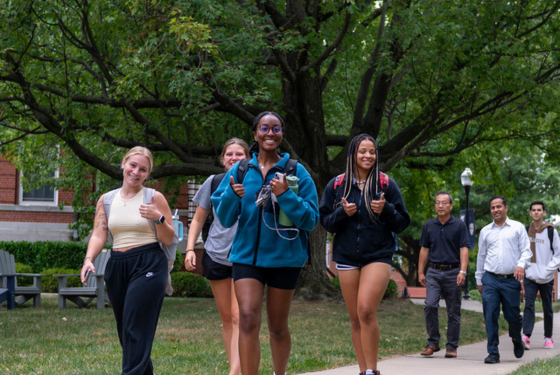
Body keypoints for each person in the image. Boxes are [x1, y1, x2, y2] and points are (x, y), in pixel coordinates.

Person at [212, 111, 319, 375]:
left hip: (285, 257)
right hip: (246, 258)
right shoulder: (239, 170)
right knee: (247, 318)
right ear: (255, 134)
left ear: (282, 134)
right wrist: (232, 196)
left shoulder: (295, 171)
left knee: (277, 326)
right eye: (264, 128)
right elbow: (224, 219)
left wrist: (285, 196)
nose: (270, 133)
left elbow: (311, 220)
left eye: (276, 128)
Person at [319, 133, 410, 375]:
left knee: (366, 310)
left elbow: (402, 223)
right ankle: (363, 371)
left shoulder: (386, 184)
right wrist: (342, 213)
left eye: (372, 151)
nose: (368, 155)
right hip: (347, 257)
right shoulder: (337, 185)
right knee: (355, 318)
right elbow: (326, 222)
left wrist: (386, 209)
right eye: (362, 151)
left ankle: (372, 371)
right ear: (353, 155)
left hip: (377, 255)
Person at [80, 146, 175, 375]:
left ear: (148, 174)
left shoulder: (154, 197)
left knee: (135, 328)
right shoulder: (107, 200)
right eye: (133, 165)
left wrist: (158, 218)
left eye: (143, 169)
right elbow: (99, 233)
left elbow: (169, 238)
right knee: (127, 332)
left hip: (149, 262)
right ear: (123, 164)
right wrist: (88, 259)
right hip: (118, 264)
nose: (136, 172)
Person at [184, 138, 249, 375]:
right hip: (216, 255)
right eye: (229, 154)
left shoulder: (255, 182)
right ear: (223, 159)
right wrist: (190, 248)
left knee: (238, 316)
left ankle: (235, 371)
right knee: (226, 319)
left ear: (248, 158)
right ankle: (236, 366)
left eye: (239, 154)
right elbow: (198, 219)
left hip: (245, 258)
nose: (234, 158)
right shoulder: (214, 182)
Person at [476, 195, 532, 364]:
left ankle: (516, 339)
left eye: (499, 206)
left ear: (506, 208)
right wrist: (479, 279)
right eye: (493, 207)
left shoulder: (517, 228)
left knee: (513, 316)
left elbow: (526, 251)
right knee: (490, 315)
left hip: (510, 280)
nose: (496, 210)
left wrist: (521, 265)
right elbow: (481, 256)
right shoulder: (485, 231)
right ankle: (493, 352)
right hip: (490, 279)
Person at [418, 191, 469, 358]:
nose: (440, 206)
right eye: (437, 203)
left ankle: (452, 346)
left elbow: (463, 249)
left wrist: (463, 270)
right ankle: (433, 342)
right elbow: (424, 249)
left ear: (451, 206)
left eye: (444, 203)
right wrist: (420, 271)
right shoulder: (428, 225)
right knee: (430, 305)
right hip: (433, 271)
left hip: (453, 272)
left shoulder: (459, 225)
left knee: (453, 311)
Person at [521, 201, 560, 350]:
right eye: (533, 210)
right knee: (529, 305)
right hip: (530, 276)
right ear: (530, 213)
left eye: (539, 210)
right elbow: (522, 252)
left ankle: (548, 337)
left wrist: (547, 270)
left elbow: (557, 254)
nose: (536, 212)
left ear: (544, 213)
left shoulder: (551, 231)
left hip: (547, 277)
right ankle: (526, 336)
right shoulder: (525, 231)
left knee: (547, 307)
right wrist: (525, 269)